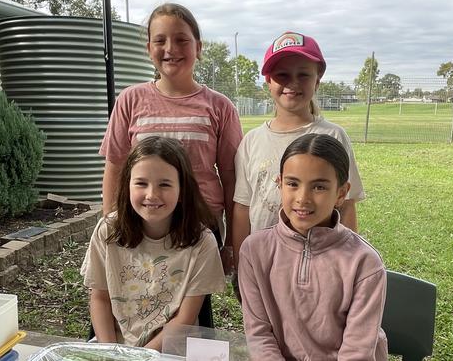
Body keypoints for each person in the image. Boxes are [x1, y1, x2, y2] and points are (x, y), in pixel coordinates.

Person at [98, 3, 243, 326]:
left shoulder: (219, 107)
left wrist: (231, 241)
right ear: (148, 47)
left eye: (181, 40)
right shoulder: (130, 100)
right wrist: (111, 226)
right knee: (134, 304)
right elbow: (115, 166)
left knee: (190, 318)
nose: (170, 49)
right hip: (141, 225)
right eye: (160, 40)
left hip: (197, 231)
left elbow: (232, 178)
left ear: (198, 47)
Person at [238, 133, 387, 360]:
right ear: (280, 184)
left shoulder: (365, 262)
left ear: (341, 193)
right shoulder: (253, 251)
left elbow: (357, 351)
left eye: (318, 187)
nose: (302, 198)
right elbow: (259, 334)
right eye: (292, 184)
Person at [232, 31, 364, 272]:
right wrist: (242, 265)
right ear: (268, 82)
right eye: (282, 75)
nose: (292, 83)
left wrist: (347, 262)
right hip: (265, 264)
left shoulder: (333, 136)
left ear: (318, 79)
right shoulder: (252, 141)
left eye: (303, 74)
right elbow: (242, 208)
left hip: (321, 264)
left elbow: (346, 205)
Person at [81, 136, 225, 351]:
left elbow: (185, 318)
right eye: (141, 183)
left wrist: (141, 357)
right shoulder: (108, 230)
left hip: (174, 349)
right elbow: (100, 298)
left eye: (165, 184)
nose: (152, 195)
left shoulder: (202, 242)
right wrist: (113, 354)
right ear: (127, 185)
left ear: (182, 190)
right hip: (113, 349)